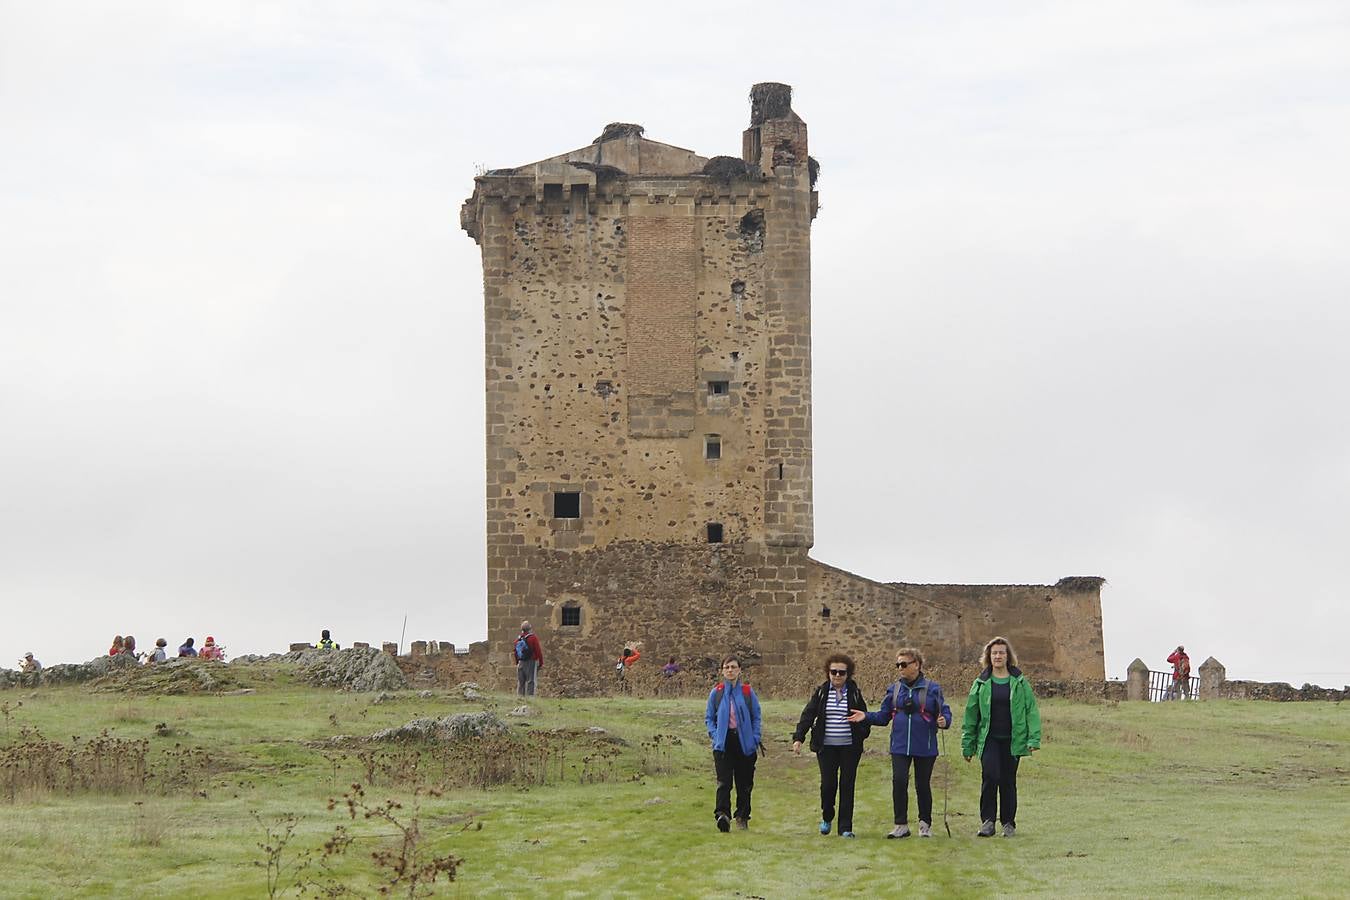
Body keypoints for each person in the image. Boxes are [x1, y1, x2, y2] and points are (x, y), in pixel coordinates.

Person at [847, 647, 951, 838]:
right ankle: (901, 825)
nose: (900, 668)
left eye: (904, 664)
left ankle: (924, 824)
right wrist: (866, 716)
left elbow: (944, 711)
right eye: (898, 664)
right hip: (900, 745)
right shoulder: (894, 690)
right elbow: (883, 716)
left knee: (922, 784)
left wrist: (945, 720)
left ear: (917, 665)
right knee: (899, 781)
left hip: (925, 745)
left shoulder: (932, 689)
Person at [961, 636, 1041, 838]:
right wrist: (967, 745)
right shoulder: (981, 683)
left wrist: (1033, 738)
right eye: (994, 652)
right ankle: (987, 822)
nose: (998, 656)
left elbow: (1031, 710)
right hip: (989, 739)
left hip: (1013, 739)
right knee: (990, 776)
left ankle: (1008, 823)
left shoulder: (1020, 682)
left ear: (1008, 656)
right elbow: (971, 714)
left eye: (1001, 652)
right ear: (989, 656)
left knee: (1008, 780)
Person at [794, 653, 871, 838]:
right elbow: (808, 715)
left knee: (847, 785)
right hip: (826, 747)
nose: (837, 675)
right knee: (828, 785)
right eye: (833, 671)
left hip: (850, 748)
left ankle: (845, 827)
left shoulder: (854, 692)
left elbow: (864, 716)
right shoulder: (821, 692)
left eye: (841, 672)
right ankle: (827, 816)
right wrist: (799, 737)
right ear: (828, 672)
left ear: (848, 674)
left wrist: (862, 733)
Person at [705, 655, 762, 832]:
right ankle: (722, 815)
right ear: (722, 671)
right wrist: (715, 736)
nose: (730, 670)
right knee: (724, 782)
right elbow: (709, 718)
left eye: (733, 667)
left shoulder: (747, 692)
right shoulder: (717, 692)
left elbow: (756, 716)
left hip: (744, 743)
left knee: (744, 783)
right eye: (727, 667)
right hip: (723, 743)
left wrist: (755, 738)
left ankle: (742, 816)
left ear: (739, 670)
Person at [513, 621, 543, 697]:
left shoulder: (518, 640)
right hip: (531, 661)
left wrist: (517, 662)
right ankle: (530, 698)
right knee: (531, 681)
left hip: (521, 662)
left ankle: (520, 697)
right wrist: (541, 662)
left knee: (521, 682)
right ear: (530, 629)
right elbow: (538, 650)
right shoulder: (533, 638)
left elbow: (515, 652)